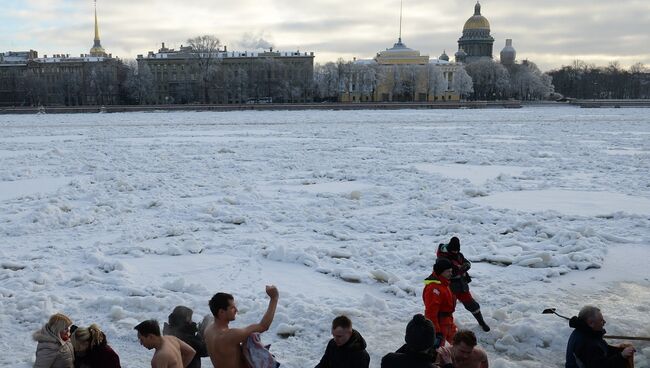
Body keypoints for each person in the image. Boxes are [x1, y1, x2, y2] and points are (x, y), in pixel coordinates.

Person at [204, 285, 279, 368]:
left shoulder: (208, 330)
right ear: (221, 312)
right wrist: (274, 298)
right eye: (232, 308)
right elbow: (263, 326)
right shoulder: (229, 335)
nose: (236, 310)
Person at [437, 237, 490, 332]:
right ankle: (446, 328)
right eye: (453, 250)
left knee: (472, 305)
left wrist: (466, 265)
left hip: (461, 285)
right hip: (449, 288)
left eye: (457, 250)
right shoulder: (442, 258)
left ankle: (481, 322)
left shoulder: (458, 255)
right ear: (449, 248)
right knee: (447, 309)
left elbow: (465, 261)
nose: (455, 252)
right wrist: (459, 269)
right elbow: (447, 272)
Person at [565, 306, 635, 368]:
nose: (604, 322)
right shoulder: (587, 343)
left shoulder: (585, 332)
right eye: (601, 320)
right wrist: (622, 355)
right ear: (591, 323)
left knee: (626, 347)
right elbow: (601, 365)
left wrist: (621, 350)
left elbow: (603, 349)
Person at [381, 314, 453, 368]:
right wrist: (449, 365)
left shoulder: (388, 360)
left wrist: (407, 347)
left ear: (407, 338)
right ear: (431, 342)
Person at [424, 258, 457, 346]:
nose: (451, 273)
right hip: (440, 324)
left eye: (451, 271)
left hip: (448, 322)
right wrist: (436, 331)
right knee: (438, 352)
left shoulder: (444, 283)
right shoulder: (433, 288)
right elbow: (431, 312)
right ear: (440, 272)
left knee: (459, 345)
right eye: (448, 271)